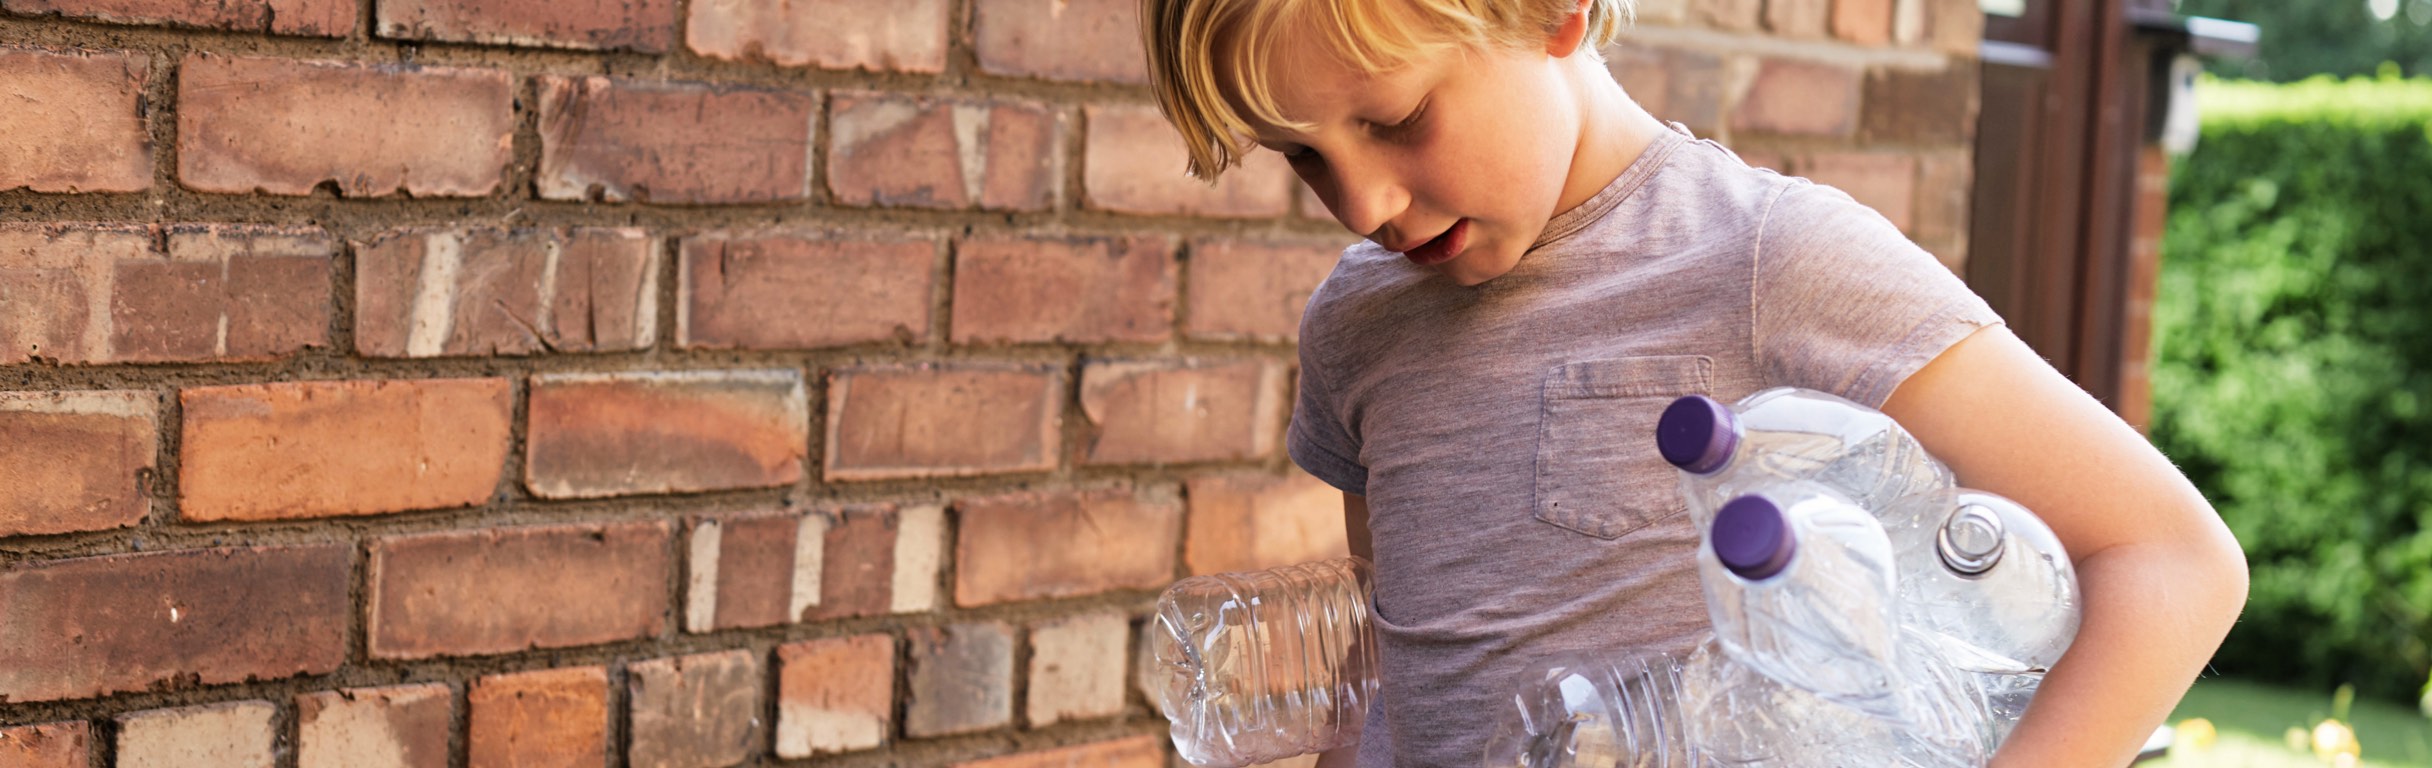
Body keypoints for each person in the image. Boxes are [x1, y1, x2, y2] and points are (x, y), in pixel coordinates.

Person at [1137, 0, 2251, 765]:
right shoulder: (1356, 321)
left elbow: (2170, 559)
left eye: (1393, 120)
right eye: (1301, 155)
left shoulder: (1770, 257)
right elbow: (1383, 651)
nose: (1363, 203)